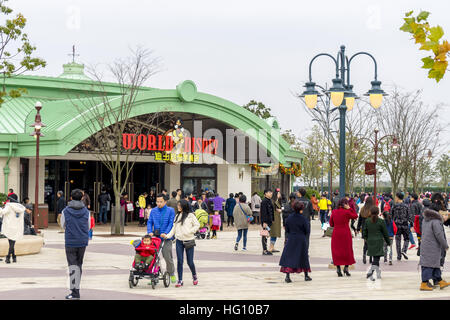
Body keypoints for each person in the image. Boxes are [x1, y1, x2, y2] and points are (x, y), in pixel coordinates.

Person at [60, 189, 90, 300]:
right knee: (79, 265)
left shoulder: (65, 211)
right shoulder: (86, 211)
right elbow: (88, 225)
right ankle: (75, 290)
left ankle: (75, 292)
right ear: (82, 198)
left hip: (70, 241)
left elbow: (63, 225)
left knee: (72, 265)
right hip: (82, 241)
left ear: (71, 198)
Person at [166, 199, 200, 287]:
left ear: (184, 206)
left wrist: (190, 231)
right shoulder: (177, 215)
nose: (178, 207)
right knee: (180, 261)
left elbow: (197, 225)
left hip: (189, 240)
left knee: (190, 262)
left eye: (180, 205)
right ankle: (180, 280)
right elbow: (173, 228)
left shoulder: (190, 215)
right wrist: (167, 236)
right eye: (178, 205)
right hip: (179, 241)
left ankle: (194, 275)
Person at [419, 198, 450, 291]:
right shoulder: (436, 221)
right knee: (428, 265)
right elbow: (439, 235)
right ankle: (424, 283)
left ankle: (439, 281)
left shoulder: (426, 219)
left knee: (434, 264)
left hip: (426, 245)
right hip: (432, 246)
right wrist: (445, 245)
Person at [279, 201, 312, 283]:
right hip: (301, 239)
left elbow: (287, 229)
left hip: (291, 238)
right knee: (303, 256)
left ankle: (287, 276)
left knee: (290, 256)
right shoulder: (303, 219)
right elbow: (307, 230)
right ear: (302, 209)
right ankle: (306, 275)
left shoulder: (289, 218)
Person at [147, 193, 176, 283]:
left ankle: (171, 274)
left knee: (168, 257)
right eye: (157, 202)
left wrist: (166, 233)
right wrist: (150, 232)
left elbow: (171, 223)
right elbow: (149, 222)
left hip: (166, 238)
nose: (159, 203)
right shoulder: (153, 211)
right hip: (156, 238)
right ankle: (154, 275)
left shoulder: (170, 210)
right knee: (154, 257)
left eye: (161, 202)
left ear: (165, 202)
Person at [329, 198, 358, 277]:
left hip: (336, 233)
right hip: (345, 232)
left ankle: (338, 268)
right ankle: (346, 268)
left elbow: (331, 224)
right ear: (345, 204)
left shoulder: (334, 212)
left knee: (336, 251)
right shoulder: (347, 212)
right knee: (347, 250)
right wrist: (350, 209)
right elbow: (355, 216)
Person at [363, 206, 391, 281]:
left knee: (376, 259)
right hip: (378, 241)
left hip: (370, 241)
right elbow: (385, 233)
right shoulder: (381, 221)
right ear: (378, 212)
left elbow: (364, 232)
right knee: (376, 259)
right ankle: (370, 272)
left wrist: (366, 239)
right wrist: (388, 242)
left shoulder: (367, 221)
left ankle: (378, 274)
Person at [0, 196, 25, 263]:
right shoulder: (20, 207)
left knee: (11, 242)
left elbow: (2, 212)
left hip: (9, 227)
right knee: (12, 242)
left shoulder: (9, 206)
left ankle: (8, 257)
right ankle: (14, 256)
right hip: (17, 227)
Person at [391, 192, 411, 261]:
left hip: (397, 225)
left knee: (398, 240)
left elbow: (391, 215)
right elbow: (409, 216)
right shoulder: (406, 206)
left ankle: (398, 256)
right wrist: (411, 224)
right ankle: (404, 250)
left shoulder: (394, 206)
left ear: (397, 197)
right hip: (405, 224)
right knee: (407, 239)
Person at [357, 196, 375, 264]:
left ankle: (364, 255)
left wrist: (358, 228)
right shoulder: (373, 209)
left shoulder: (362, 209)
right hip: (372, 228)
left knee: (366, 243)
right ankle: (370, 257)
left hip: (364, 228)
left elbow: (360, 220)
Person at [260, 189, 274, 255]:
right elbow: (263, 213)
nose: (271, 193)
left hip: (269, 221)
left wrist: (272, 219)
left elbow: (271, 211)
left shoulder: (269, 201)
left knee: (266, 235)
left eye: (271, 192)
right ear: (265, 193)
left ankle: (265, 249)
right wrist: (264, 222)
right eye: (269, 192)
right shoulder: (264, 201)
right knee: (264, 235)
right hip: (265, 221)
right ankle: (264, 250)